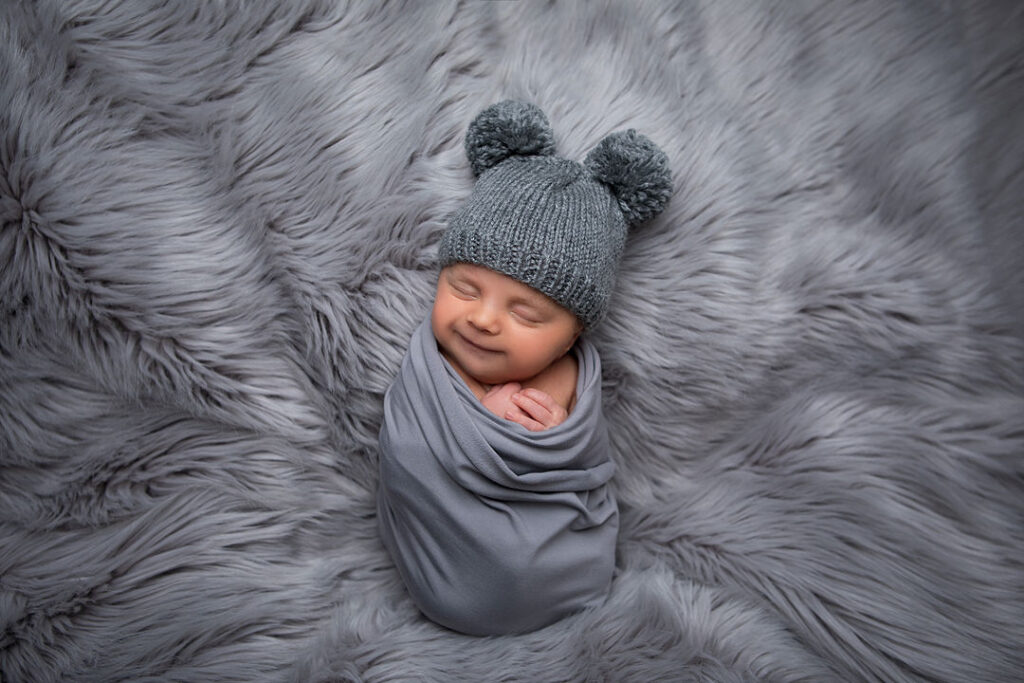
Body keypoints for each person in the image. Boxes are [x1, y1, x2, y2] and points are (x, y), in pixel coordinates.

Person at [377, 100, 672, 635]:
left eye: (526, 313)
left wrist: (541, 427)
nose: (483, 319)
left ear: (571, 338)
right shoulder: (429, 369)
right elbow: (408, 462)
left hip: (552, 570)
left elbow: (571, 460)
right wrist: (480, 420)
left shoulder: (564, 377)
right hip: (440, 571)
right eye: (463, 289)